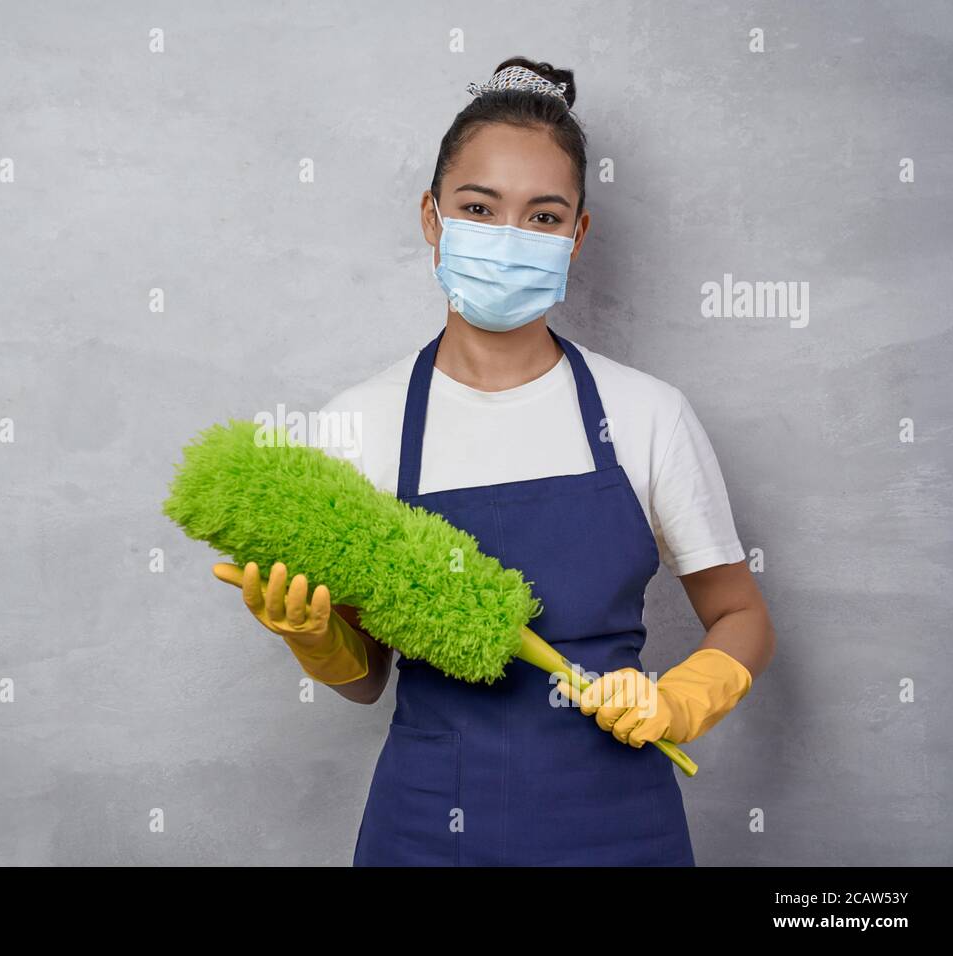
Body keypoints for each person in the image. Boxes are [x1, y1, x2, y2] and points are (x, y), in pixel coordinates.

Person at [211, 57, 776, 866]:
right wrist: (317, 638)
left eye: (543, 217)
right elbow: (368, 679)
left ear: (578, 234)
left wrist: (681, 701)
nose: (508, 239)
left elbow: (742, 615)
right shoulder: (356, 424)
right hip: (426, 831)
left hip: (621, 829)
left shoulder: (647, 413)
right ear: (433, 218)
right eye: (479, 208)